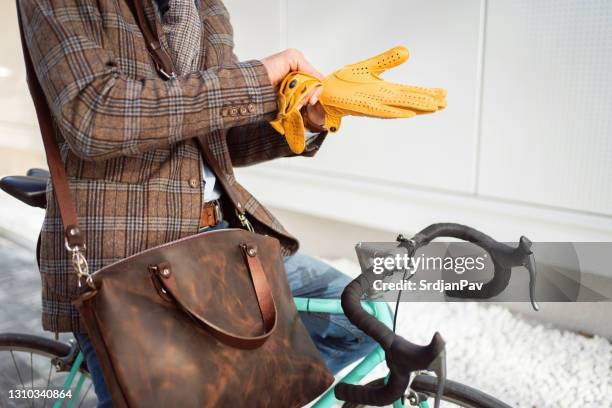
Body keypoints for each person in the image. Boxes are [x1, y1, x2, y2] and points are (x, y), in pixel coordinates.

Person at [18, 0, 377, 406]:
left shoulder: (202, 5)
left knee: (362, 318)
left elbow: (218, 130)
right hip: (130, 258)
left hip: (222, 239)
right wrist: (256, 79)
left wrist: (308, 121)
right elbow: (95, 116)